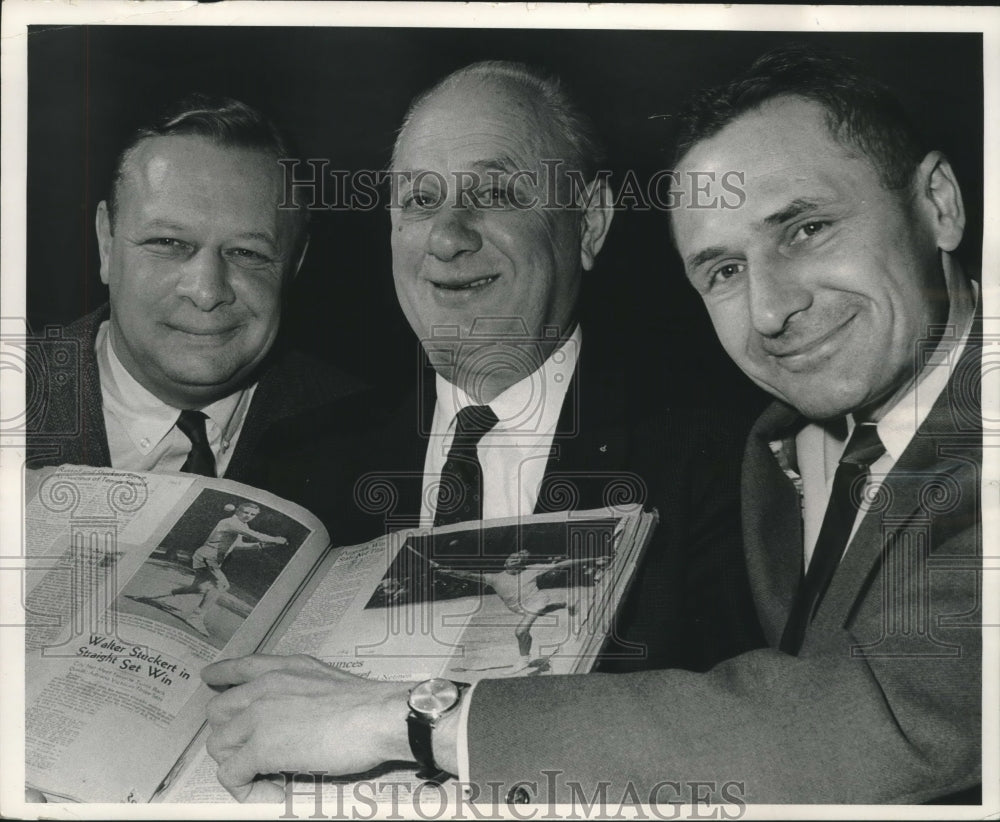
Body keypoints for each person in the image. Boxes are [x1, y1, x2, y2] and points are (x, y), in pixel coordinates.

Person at [255, 59, 763, 675]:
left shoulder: (715, 460)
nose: (447, 236)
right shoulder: (291, 469)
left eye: (494, 194)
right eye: (419, 200)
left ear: (589, 224)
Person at [26, 93, 364, 482]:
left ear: (295, 264)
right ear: (107, 241)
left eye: (247, 252)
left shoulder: (372, 433)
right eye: (167, 243)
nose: (206, 292)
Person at [136, 502, 288, 636]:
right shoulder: (230, 522)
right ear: (237, 512)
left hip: (210, 558)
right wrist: (276, 539)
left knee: (199, 588)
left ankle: (154, 596)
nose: (248, 516)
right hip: (207, 557)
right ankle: (196, 617)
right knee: (221, 585)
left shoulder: (242, 526)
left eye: (252, 514)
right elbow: (255, 535)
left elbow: (237, 545)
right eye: (245, 512)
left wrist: (259, 546)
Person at [427, 550, 612, 658]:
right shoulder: (493, 578)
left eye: (517, 560)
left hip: (536, 601)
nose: (511, 561)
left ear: (522, 565)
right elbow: (466, 575)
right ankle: (565, 603)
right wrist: (444, 570)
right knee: (534, 612)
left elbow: (565, 563)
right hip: (519, 608)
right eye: (510, 558)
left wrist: (594, 560)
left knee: (521, 631)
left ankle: (523, 660)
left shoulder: (532, 570)